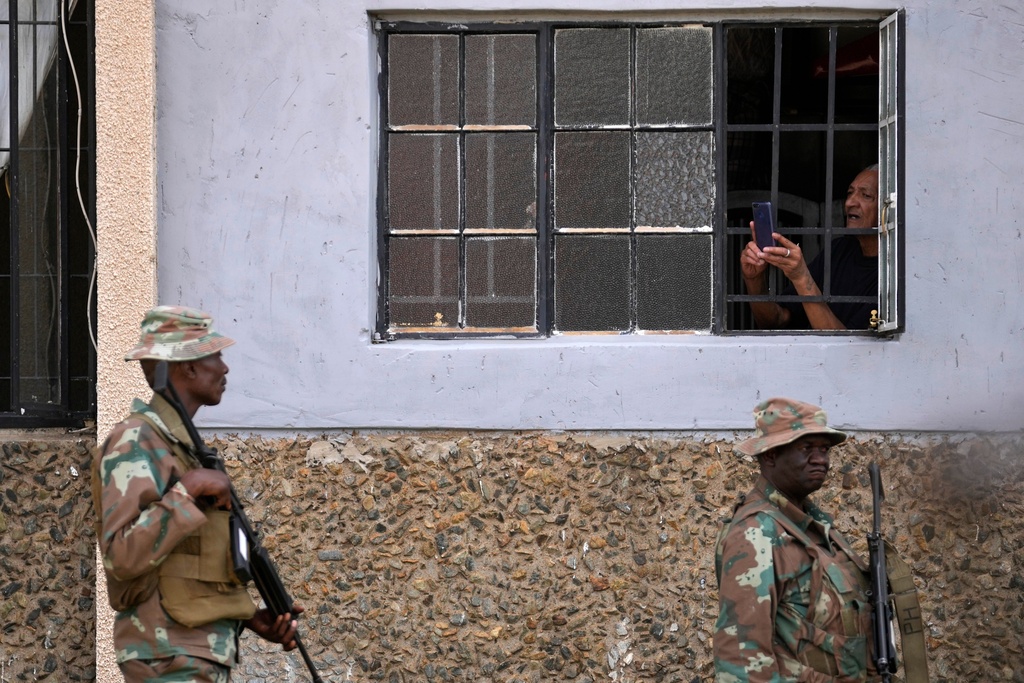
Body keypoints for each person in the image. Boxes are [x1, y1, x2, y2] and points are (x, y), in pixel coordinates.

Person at [93, 305, 303, 683]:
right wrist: (189, 490)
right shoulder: (136, 440)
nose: (225, 368)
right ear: (188, 367)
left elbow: (186, 563)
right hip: (168, 653)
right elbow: (122, 555)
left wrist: (246, 616)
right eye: (216, 356)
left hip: (192, 651)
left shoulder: (182, 448)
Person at [714, 397, 877, 682]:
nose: (821, 459)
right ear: (770, 455)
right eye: (806, 448)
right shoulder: (756, 533)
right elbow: (741, 661)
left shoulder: (810, 525)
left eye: (824, 449)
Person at [740, 166, 879, 330]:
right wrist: (754, 279)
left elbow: (845, 344)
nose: (849, 203)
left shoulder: (893, 275)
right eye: (850, 193)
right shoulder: (839, 250)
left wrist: (801, 277)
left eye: (866, 195)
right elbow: (776, 321)